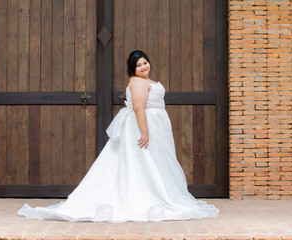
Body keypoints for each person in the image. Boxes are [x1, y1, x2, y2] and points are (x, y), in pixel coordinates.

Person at [17, 50, 219, 222]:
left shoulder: (145, 80)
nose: (143, 67)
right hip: (144, 126)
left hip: (156, 126)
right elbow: (139, 109)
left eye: (145, 62)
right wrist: (145, 132)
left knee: (156, 162)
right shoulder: (138, 83)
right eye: (138, 65)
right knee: (143, 161)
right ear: (133, 68)